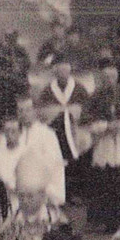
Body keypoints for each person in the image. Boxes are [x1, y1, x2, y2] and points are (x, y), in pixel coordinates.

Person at [82, 59, 120, 233]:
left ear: (117, 76)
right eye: (106, 77)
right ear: (102, 78)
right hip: (103, 143)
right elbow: (86, 122)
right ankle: (105, 220)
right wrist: (105, 127)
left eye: (112, 76)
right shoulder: (95, 97)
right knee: (104, 181)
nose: (110, 80)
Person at [33, 56, 89, 205]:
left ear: (70, 70)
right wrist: (57, 112)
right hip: (56, 132)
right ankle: (60, 192)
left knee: (75, 161)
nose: (63, 72)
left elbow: (88, 109)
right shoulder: (47, 90)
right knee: (57, 162)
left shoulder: (78, 88)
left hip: (75, 132)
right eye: (60, 69)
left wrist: (72, 112)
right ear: (55, 70)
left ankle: (76, 193)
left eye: (66, 68)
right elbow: (41, 111)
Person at [15, 94, 66, 206]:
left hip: (42, 187)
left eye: (28, 110)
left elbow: (53, 164)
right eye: (21, 110)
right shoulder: (16, 134)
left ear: (35, 111)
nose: (24, 114)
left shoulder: (47, 134)